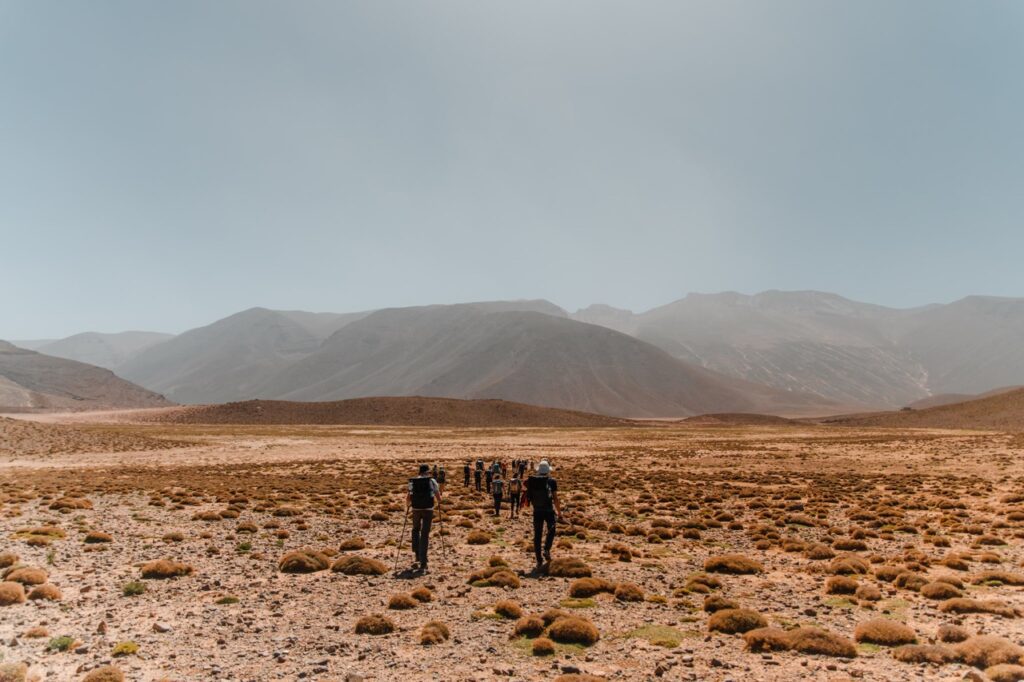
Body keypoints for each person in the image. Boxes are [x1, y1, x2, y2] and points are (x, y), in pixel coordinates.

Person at [521, 460, 562, 570]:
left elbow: (528, 496)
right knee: (552, 529)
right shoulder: (552, 481)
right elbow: (555, 499)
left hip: (537, 511)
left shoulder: (532, 481)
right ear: (548, 470)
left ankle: (539, 559)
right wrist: (559, 513)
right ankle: (547, 549)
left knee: (537, 535)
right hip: (549, 511)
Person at [406, 464, 440, 572]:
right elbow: (438, 495)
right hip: (428, 509)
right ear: (427, 472)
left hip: (416, 509)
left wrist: (408, 505)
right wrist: (439, 502)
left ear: (419, 472)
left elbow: (408, 496)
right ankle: (423, 562)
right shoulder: (432, 481)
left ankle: (417, 554)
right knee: (425, 534)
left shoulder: (413, 481)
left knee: (415, 529)